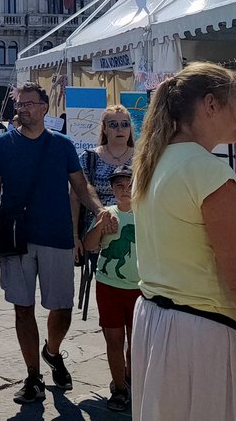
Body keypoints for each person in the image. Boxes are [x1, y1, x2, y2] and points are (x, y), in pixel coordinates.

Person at [130, 62, 236, 421]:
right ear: (210, 105)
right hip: (203, 333)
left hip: (155, 322)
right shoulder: (210, 173)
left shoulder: (153, 163)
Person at [0, 82, 106, 404]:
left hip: (56, 233)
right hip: (16, 235)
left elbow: (80, 185)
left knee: (62, 308)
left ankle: (52, 351)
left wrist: (99, 210)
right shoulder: (3, 144)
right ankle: (33, 376)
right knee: (22, 307)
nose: (23, 109)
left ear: (44, 108)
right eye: (19, 104)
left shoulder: (62, 145)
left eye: (29, 104)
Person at [81, 164, 138, 413]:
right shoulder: (107, 213)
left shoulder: (147, 214)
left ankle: (130, 376)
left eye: (130, 185)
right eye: (119, 185)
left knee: (137, 342)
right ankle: (119, 387)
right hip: (109, 287)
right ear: (112, 189)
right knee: (114, 340)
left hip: (140, 290)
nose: (125, 190)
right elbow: (89, 245)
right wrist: (99, 226)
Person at [73, 104, 136, 258]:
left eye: (125, 124)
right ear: (105, 129)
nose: (120, 129)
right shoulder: (89, 158)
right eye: (113, 124)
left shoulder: (142, 158)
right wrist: (74, 235)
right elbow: (75, 197)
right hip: (97, 234)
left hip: (133, 233)